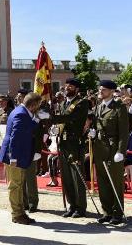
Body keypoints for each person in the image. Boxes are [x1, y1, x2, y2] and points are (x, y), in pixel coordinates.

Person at [0, 92, 42, 225]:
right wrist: (14, 157)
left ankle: (21, 212)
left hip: (18, 155)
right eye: (38, 105)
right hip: (14, 156)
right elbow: (15, 138)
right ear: (33, 105)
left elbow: (26, 127)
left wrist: (37, 120)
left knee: (18, 184)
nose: (39, 108)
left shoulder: (21, 111)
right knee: (15, 185)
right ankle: (17, 214)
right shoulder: (21, 114)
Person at [50, 78, 89, 218]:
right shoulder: (62, 103)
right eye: (66, 85)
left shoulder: (82, 102)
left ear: (77, 89)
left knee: (76, 176)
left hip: (74, 144)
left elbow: (68, 118)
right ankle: (72, 205)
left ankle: (80, 207)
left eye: (71, 86)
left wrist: (50, 117)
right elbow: (60, 122)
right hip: (63, 143)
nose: (67, 88)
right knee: (66, 177)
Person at [93, 80, 129, 225]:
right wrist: (92, 133)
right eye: (100, 89)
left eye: (104, 89)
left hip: (113, 148)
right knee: (102, 181)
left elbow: (124, 132)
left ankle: (117, 213)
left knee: (115, 182)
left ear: (112, 91)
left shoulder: (119, 107)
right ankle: (106, 211)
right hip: (100, 148)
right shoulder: (99, 106)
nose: (101, 91)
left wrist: (121, 151)